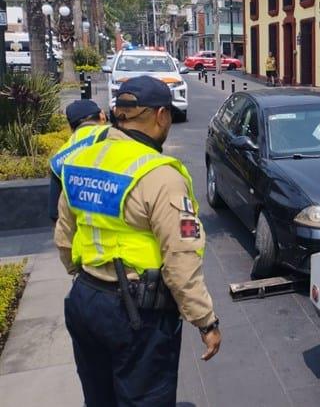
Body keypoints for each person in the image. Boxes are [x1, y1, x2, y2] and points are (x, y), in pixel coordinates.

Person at [55, 76, 221, 407]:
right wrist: (205, 321)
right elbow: (181, 257)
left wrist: (86, 275)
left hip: (84, 300)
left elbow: (64, 236)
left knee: (99, 397)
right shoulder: (160, 175)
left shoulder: (78, 161)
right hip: (135, 316)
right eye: (170, 116)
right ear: (160, 115)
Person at [48, 100, 109, 222]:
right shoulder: (110, 134)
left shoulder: (58, 158)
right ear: (102, 116)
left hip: (82, 234)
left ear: (71, 127)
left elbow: (54, 212)